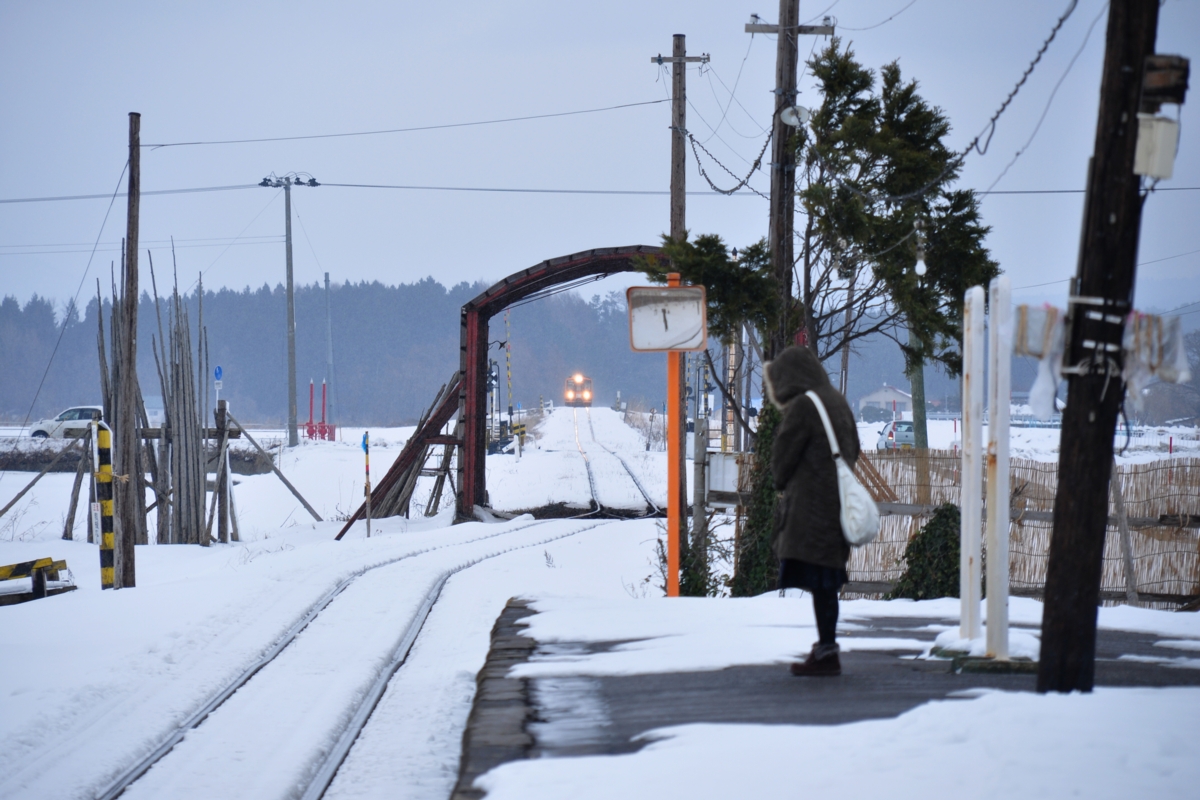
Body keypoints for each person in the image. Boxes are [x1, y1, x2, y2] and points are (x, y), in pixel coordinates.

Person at [764, 345, 861, 676]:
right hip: (838, 503)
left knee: (821, 580)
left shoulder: (805, 405)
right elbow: (855, 448)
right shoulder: (837, 401)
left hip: (812, 507)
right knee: (827, 579)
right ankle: (826, 648)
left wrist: (785, 478)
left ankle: (827, 653)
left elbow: (782, 460)